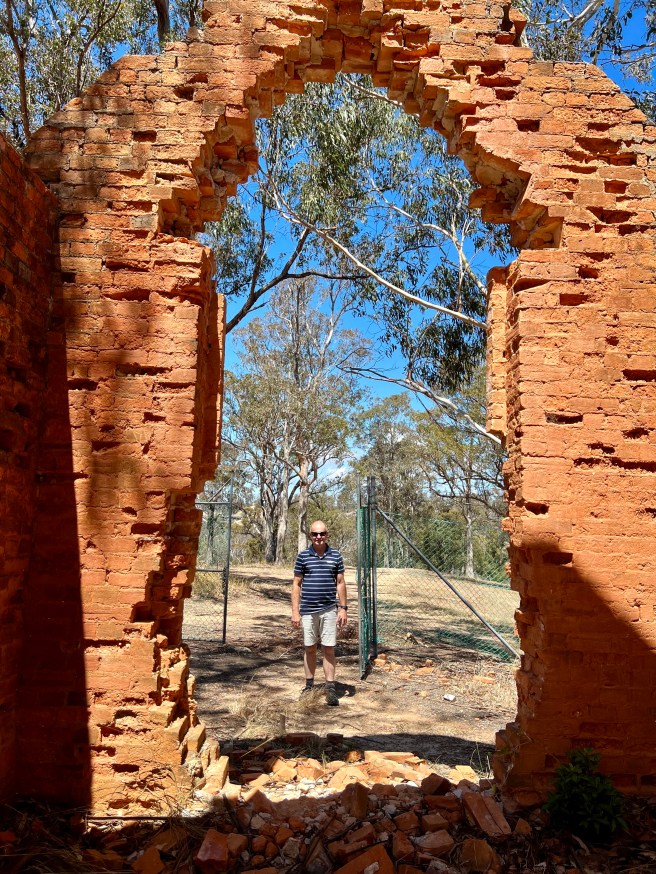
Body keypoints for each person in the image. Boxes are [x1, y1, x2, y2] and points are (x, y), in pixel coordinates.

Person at [291, 521, 347, 706]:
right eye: (315, 534)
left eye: (322, 533)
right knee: (310, 647)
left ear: (327, 534)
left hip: (329, 609)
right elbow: (296, 584)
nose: (318, 537)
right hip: (308, 611)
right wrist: (295, 612)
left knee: (328, 648)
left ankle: (330, 688)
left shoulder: (336, 556)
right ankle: (309, 686)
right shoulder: (303, 557)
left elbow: (340, 583)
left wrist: (343, 608)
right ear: (310, 535)